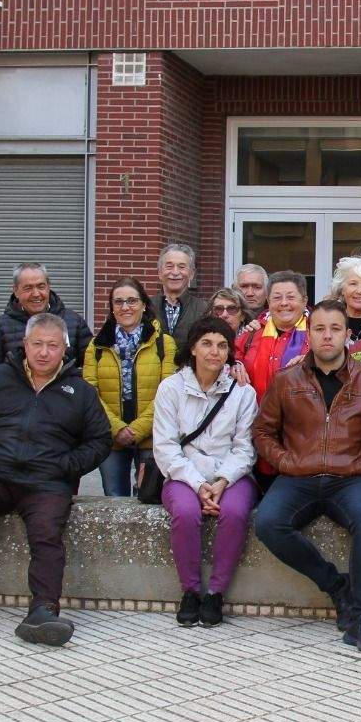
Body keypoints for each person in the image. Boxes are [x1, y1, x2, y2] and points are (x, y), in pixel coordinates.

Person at [0, 312, 112, 647]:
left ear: (64, 349)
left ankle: (43, 610)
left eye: (52, 345)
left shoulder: (79, 391)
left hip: (48, 482)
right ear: (25, 344)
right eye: (37, 344)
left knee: (47, 534)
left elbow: (100, 441)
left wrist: (67, 465)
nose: (44, 352)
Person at [252, 300, 361, 654]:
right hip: (298, 475)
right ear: (308, 335)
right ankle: (335, 586)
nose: (327, 336)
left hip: (352, 478)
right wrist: (286, 461)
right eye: (319, 329)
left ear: (348, 335)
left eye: (334, 329)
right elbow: (262, 432)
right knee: (268, 523)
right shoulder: (287, 381)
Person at [152, 314, 259, 629]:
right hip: (184, 475)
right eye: (207, 344)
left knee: (236, 512)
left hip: (232, 475)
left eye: (222, 345)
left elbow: (244, 448)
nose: (214, 351)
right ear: (194, 349)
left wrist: (223, 481)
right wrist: (199, 485)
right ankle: (190, 590)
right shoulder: (171, 389)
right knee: (185, 513)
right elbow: (166, 447)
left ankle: (215, 593)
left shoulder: (242, 392)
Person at [84, 277, 176, 498]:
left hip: (151, 437)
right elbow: (90, 393)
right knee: (114, 498)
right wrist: (117, 429)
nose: (125, 307)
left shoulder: (164, 344)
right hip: (110, 438)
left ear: (144, 305)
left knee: (149, 497)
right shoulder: (96, 346)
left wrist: (136, 430)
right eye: (118, 302)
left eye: (132, 301)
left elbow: (168, 393)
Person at [0, 263, 93, 373]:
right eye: (28, 288)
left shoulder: (75, 323)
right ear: (16, 291)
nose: (36, 293)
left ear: (48, 286)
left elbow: (91, 367)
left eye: (41, 286)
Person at [234, 270, 310, 402]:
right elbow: (230, 358)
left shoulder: (316, 334)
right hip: (254, 417)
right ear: (268, 301)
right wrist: (235, 365)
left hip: (301, 419)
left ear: (304, 301)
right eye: (277, 297)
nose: (284, 303)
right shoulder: (251, 332)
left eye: (291, 297)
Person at [151, 244, 208, 342]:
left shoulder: (204, 309)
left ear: (192, 274)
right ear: (159, 272)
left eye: (182, 267)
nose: (175, 272)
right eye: (169, 266)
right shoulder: (147, 307)